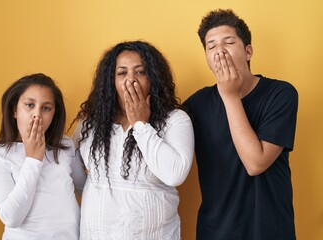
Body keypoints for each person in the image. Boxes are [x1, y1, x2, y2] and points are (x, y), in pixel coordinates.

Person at [184, 9, 298, 240]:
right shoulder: (197, 104)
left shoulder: (281, 94)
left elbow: (256, 163)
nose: (220, 51)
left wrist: (229, 95)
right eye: (211, 46)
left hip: (270, 230)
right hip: (216, 231)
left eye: (228, 42)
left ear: (248, 51)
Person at [72, 40, 194, 239]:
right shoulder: (90, 124)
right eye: (122, 73)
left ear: (154, 78)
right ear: (110, 81)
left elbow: (175, 174)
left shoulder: (175, 120)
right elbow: (76, 178)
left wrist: (140, 124)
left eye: (140, 72)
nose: (131, 80)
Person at [0, 73, 86, 240]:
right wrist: (33, 159)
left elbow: (85, 188)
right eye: (30, 105)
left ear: (54, 114)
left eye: (46, 108)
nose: (37, 115)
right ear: (15, 110)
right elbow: (11, 217)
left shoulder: (65, 145)